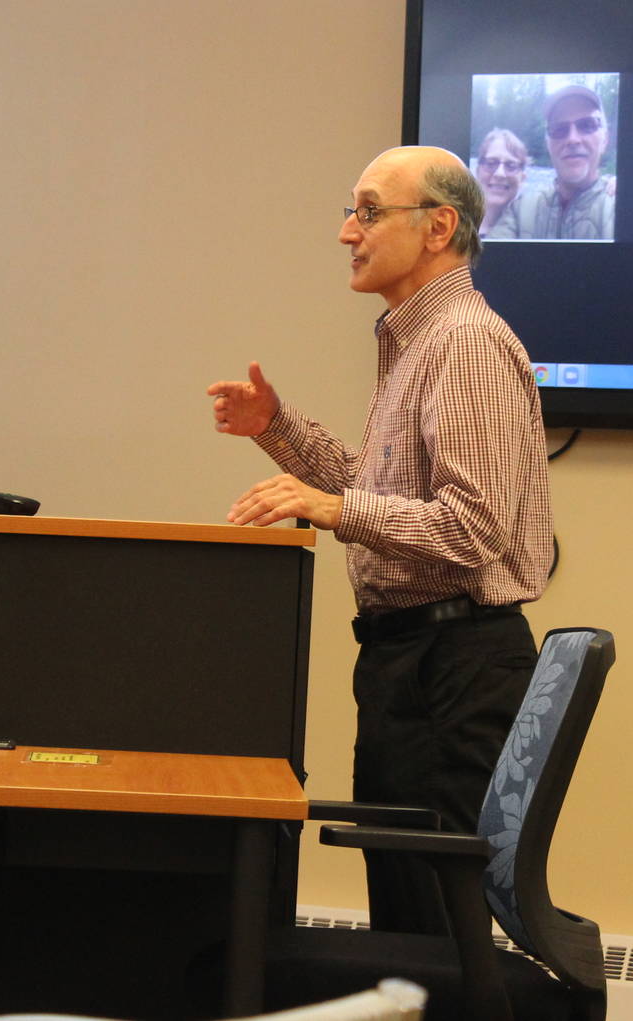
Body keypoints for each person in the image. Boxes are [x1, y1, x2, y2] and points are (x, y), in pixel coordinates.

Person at [207, 145, 553, 933]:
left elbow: (472, 527)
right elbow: (376, 491)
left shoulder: (463, 341)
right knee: (411, 927)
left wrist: (332, 511)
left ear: (438, 227)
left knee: (436, 934)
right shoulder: (418, 342)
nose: (345, 231)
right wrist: (277, 428)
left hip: (453, 671)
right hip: (412, 665)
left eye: (366, 211)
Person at [513, 85, 615, 241]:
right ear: (548, 144)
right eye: (559, 129)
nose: (572, 139)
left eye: (587, 125)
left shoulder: (621, 208)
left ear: (605, 140)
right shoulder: (520, 210)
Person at [470, 126, 528, 238]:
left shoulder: (531, 232)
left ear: (522, 178)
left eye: (511, 166)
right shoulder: (456, 227)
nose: (500, 173)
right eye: (491, 163)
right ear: (477, 172)